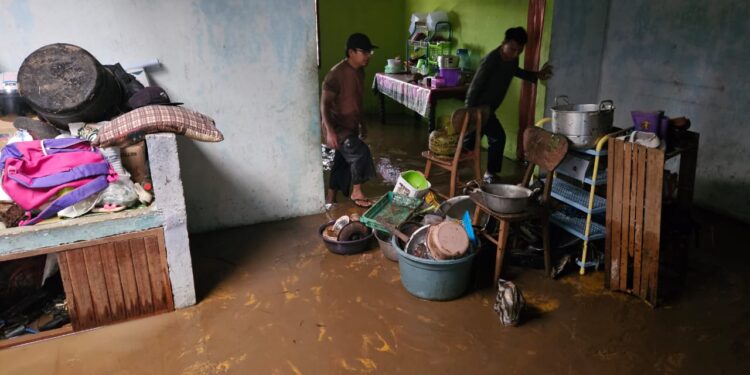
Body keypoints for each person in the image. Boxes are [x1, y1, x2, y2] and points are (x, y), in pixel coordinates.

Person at [464, 26, 553, 184]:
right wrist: (469, 111)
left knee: (473, 142)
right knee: (491, 138)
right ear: (503, 43)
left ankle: (480, 170)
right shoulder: (491, 60)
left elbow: (514, 71)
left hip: (489, 109)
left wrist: (536, 75)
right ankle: (480, 171)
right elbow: (475, 87)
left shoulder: (512, 58)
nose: (515, 54)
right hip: (479, 109)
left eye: (519, 51)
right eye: (512, 49)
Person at [321, 33, 378, 208]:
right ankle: (357, 192)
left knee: (341, 161)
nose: (368, 56)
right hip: (338, 127)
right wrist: (329, 131)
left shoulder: (360, 72)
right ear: (351, 52)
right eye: (365, 52)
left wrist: (363, 123)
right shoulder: (336, 74)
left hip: (351, 125)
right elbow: (324, 104)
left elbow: (357, 100)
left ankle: (330, 197)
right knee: (361, 153)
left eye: (370, 52)